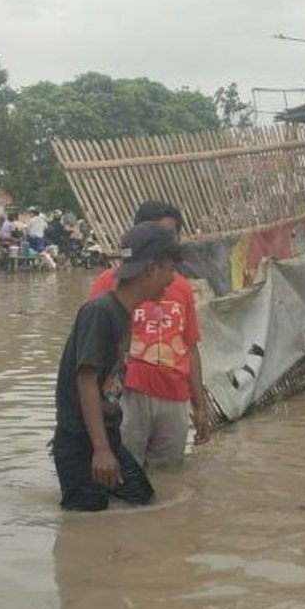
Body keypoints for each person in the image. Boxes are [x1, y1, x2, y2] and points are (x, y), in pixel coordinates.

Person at [52, 221, 180, 511]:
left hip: (105, 437)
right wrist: (100, 449)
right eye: (170, 269)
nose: (172, 279)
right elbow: (86, 380)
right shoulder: (100, 312)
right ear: (150, 269)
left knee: (143, 500)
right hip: (81, 444)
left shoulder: (123, 313)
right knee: (86, 524)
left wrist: (107, 444)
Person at [88, 201, 213, 468]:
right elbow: (90, 354)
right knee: (125, 471)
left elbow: (190, 346)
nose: (163, 243)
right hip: (129, 394)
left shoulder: (180, 287)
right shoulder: (109, 284)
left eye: (170, 237)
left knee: (168, 477)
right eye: (156, 235)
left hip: (174, 394)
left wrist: (199, 406)